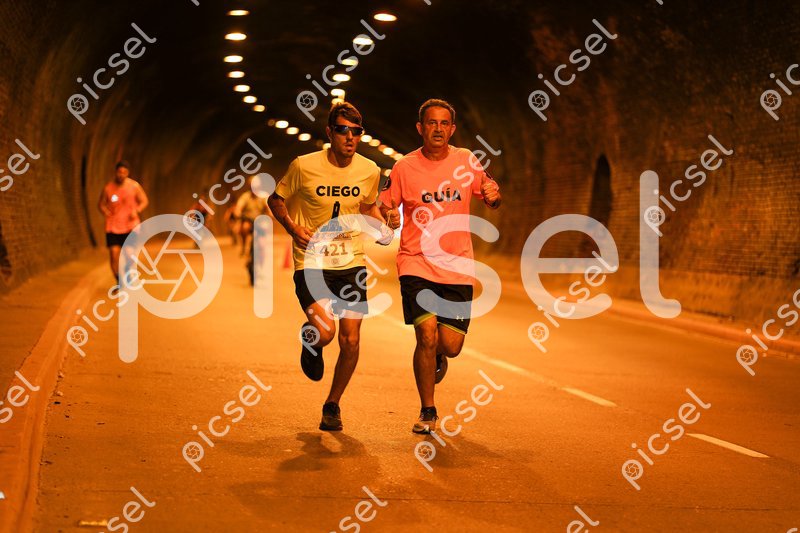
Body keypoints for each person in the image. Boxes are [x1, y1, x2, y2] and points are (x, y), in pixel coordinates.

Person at [379, 99, 502, 434]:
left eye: (444, 123)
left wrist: (492, 196)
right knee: (427, 334)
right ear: (420, 128)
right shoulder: (404, 167)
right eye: (431, 123)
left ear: (452, 129)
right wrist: (389, 215)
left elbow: (489, 188)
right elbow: (385, 204)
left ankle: (438, 355)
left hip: (457, 265)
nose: (438, 128)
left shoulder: (466, 161)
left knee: (450, 345)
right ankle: (428, 410)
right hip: (416, 262)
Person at [268, 102, 389, 431]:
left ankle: (332, 404)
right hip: (311, 261)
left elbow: (368, 207)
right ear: (329, 132)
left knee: (350, 341)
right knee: (326, 333)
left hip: (351, 261)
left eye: (356, 131)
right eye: (342, 130)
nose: (350, 137)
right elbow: (275, 200)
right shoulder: (303, 166)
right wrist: (293, 227)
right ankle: (311, 340)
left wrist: (382, 226)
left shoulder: (369, 170)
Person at [97, 160, 149, 282]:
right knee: (114, 253)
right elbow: (101, 204)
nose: (121, 175)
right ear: (115, 172)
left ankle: (127, 270)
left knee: (129, 254)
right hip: (113, 226)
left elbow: (144, 201)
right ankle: (119, 280)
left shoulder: (134, 186)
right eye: (119, 172)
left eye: (124, 172)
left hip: (131, 225)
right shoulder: (108, 188)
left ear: (128, 173)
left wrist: (137, 210)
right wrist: (105, 211)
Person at [234, 178, 268, 257]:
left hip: (260, 221)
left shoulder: (263, 196)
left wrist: (271, 214)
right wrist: (237, 212)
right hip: (248, 220)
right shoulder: (245, 196)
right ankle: (244, 246)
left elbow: (268, 207)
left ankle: (263, 248)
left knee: (265, 228)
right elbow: (239, 207)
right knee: (245, 227)